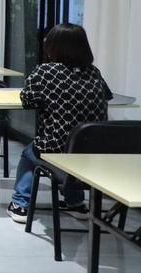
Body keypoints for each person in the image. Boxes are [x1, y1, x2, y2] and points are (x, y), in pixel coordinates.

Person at [6, 23, 112, 224]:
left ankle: (20, 204)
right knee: (70, 151)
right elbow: (107, 95)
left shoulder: (45, 71)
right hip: (93, 150)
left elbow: (27, 101)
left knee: (30, 154)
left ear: (53, 47)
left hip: (56, 146)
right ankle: (75, 203)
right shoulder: (94, 72)